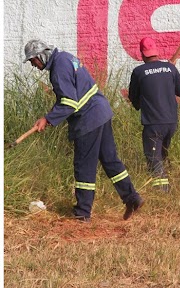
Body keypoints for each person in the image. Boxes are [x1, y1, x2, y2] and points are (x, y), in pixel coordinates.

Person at [23, 39, 144, 222]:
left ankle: (82, 213)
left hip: (88, 119)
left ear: (41, 55)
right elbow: (68, 97)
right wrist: (48, 118)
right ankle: (132, 198)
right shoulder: (65, 58)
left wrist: (47, 119)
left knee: (84, 167)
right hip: (101, 112)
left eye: (33, 61)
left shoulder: (58, 69)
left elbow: (70, 103)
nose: (34, 65)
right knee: (110, 160)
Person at [128, 37, 180, 193]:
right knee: (163, 155)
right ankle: (168, 186)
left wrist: (138, 105)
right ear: (156, 51)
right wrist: (170, 75)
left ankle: (162, 193)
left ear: (142, 54)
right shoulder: (170, 69)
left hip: (153, 124)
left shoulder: (138, 72)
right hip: (171, 122)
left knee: (154, 159)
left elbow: (134, 99)